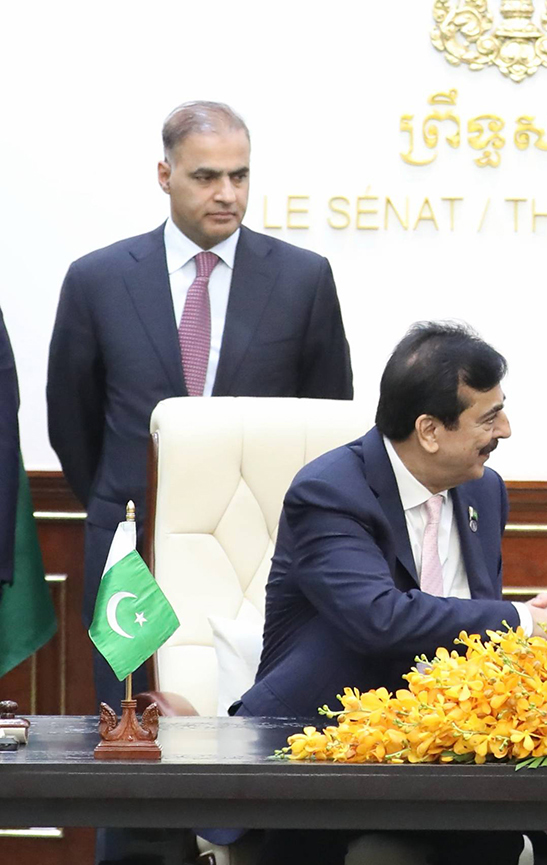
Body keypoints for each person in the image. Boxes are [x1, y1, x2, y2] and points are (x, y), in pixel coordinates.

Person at [46, 100, 354, 710]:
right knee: (129, 720)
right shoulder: (98, 279)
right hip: (131, 545)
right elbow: (71, 419)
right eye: (206, 176)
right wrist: (125, 495)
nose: (227, 194)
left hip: (265, 545)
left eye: (239, 176)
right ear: (165, 175)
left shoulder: (302, 279)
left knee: (262, 715)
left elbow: (326, 418)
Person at [236, 321, 547, 865]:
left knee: (498, 840)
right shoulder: (330, 492)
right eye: (489, 418)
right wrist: (522, 621)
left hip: (445, 754)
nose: (505, 430)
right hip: (325, 752)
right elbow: (380, 619)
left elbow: (473, 636)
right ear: (430, 431)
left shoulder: (484, 490)